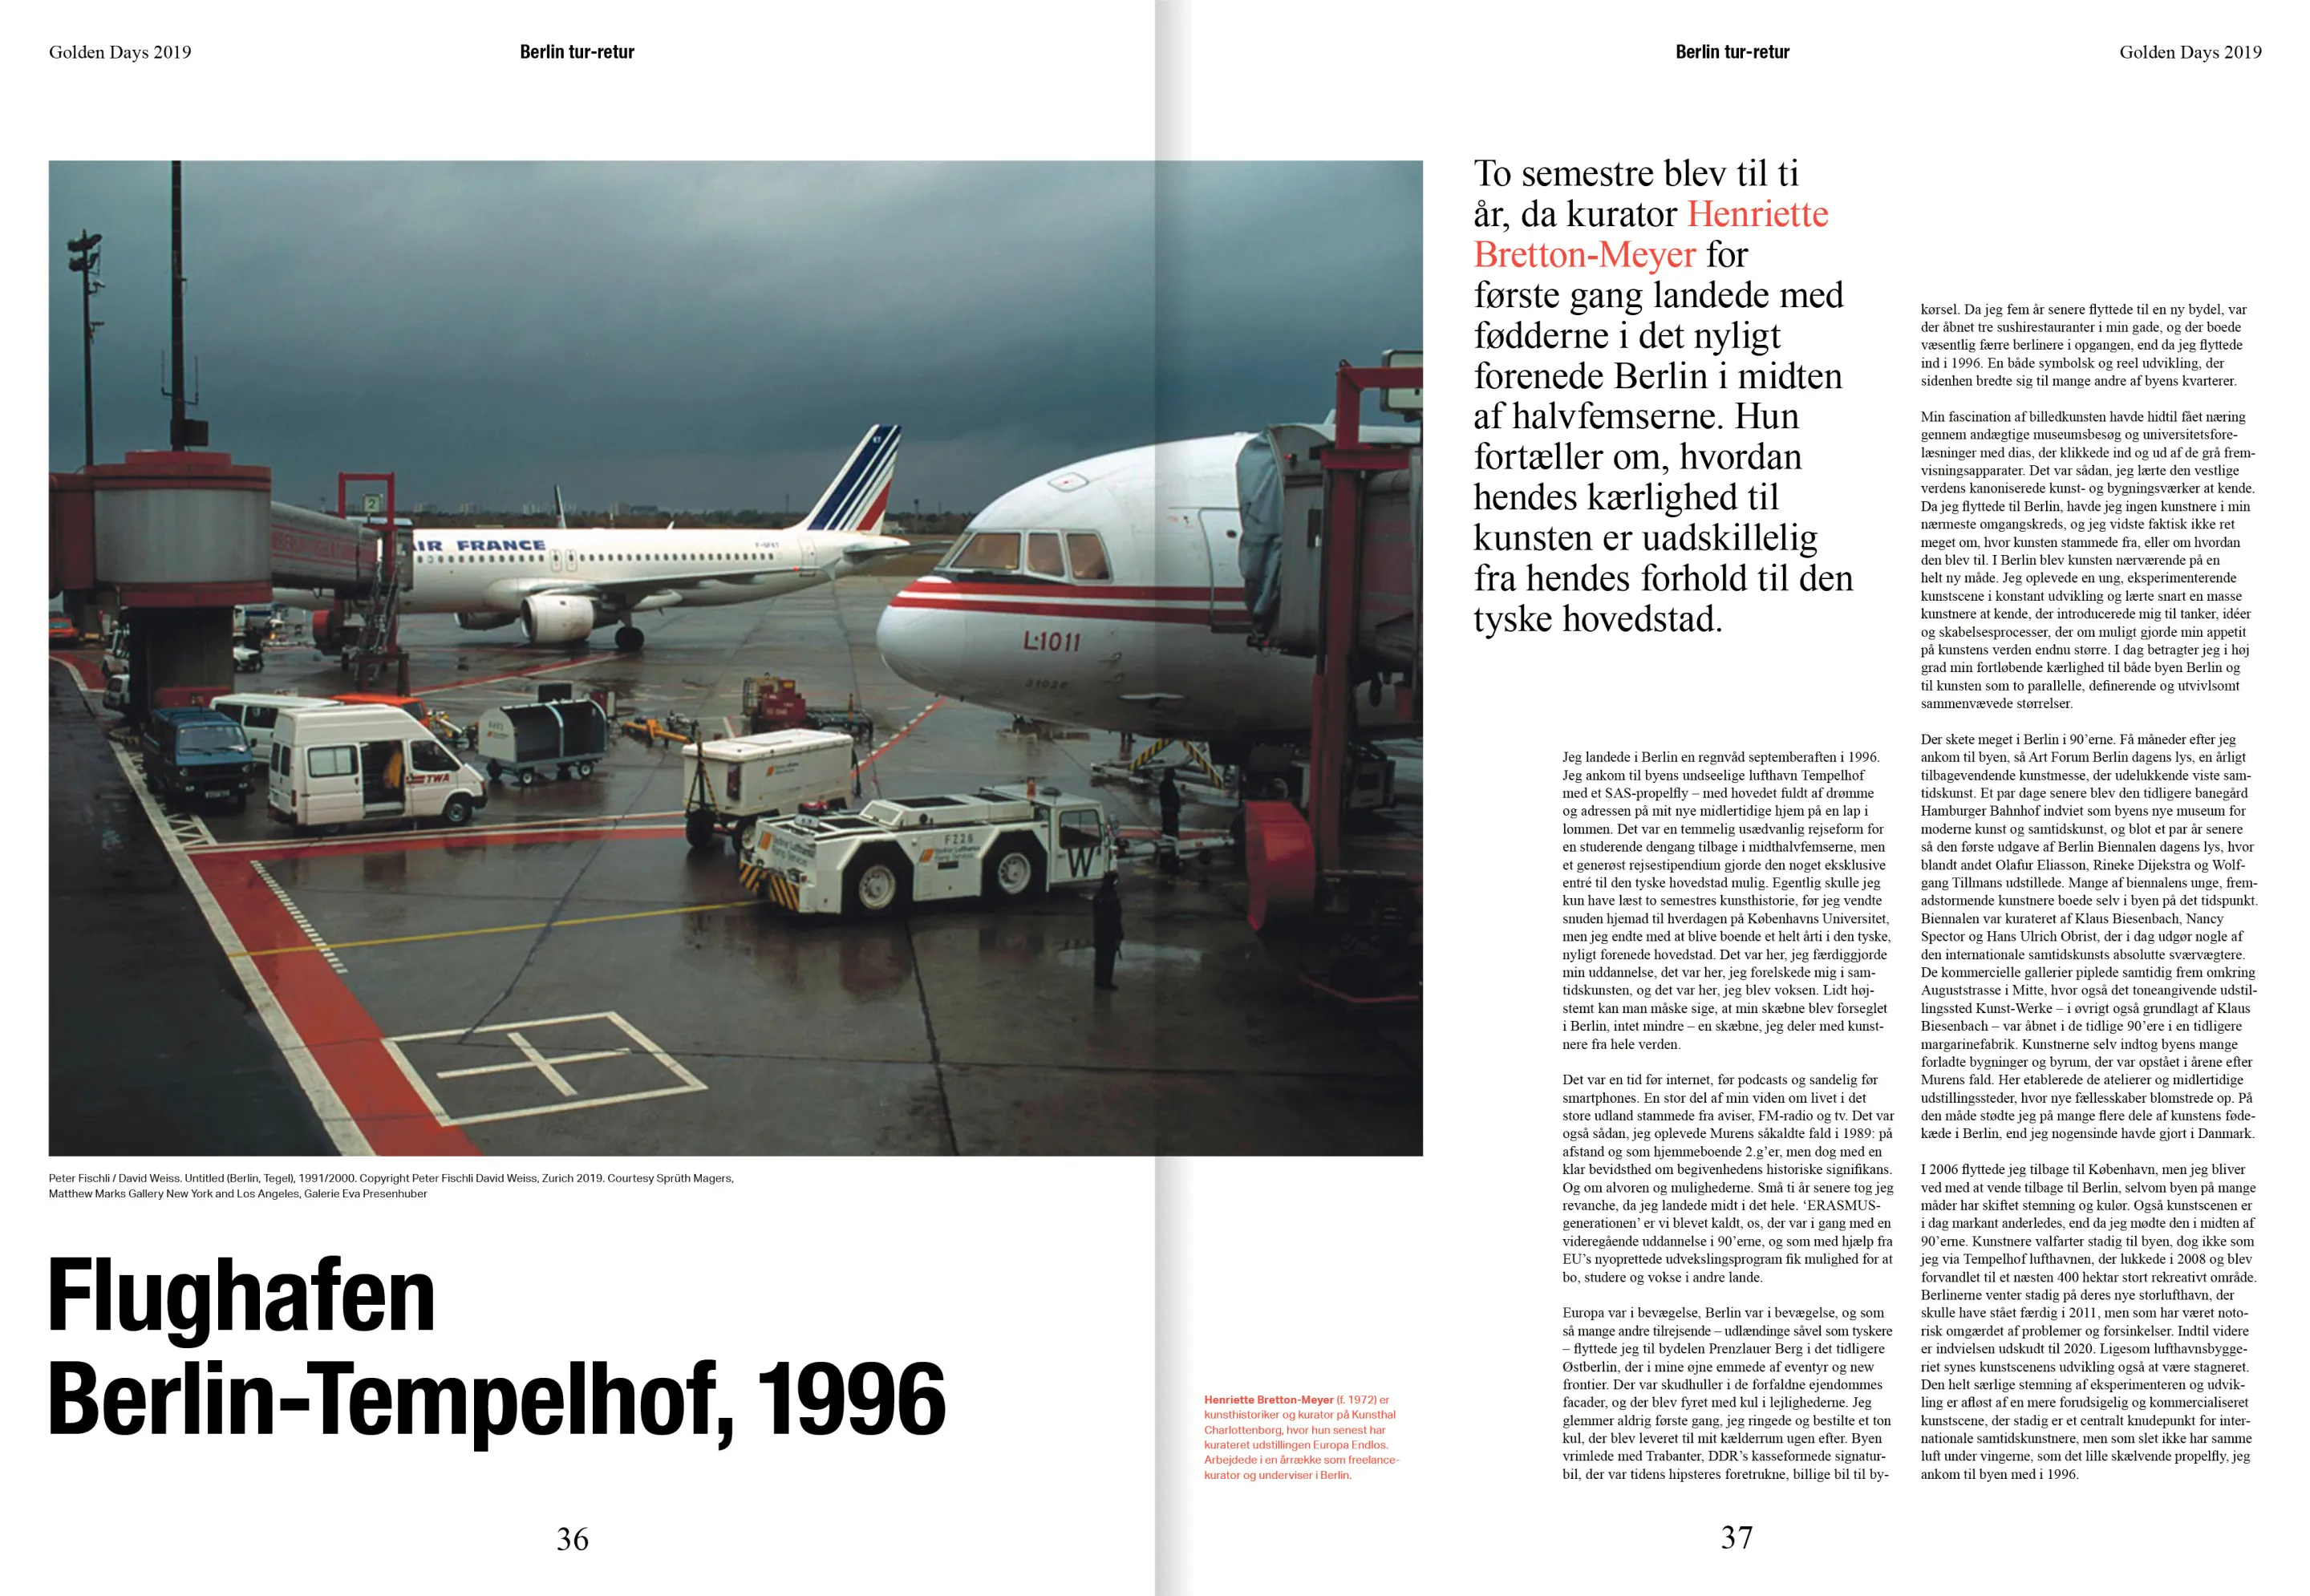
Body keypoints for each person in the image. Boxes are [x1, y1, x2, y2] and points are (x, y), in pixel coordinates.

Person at [1092, 871, 1123, 991]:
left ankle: (1099, 981)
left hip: (1099, 933)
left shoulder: (1099, 897)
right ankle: (1106, 982)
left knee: (1100, 958)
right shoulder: (1112, 899)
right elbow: (1115, 919)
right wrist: (1119, 934)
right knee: (1108, 959)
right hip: (1109, 934)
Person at [1157, 767, 1181, 876]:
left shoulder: (1163, 785)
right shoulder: (1169, 785)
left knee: (1166, 832)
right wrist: (1178, 806)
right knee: (1172, 834)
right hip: (1171, 813)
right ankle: (1172, 856)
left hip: (1165, 811)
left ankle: (1165, 856)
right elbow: (1174, 799)